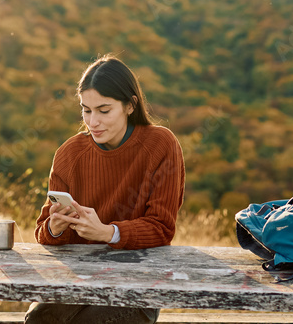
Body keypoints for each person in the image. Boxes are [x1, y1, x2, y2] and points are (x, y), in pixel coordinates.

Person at [26, 54, 186, 324]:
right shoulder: (69, 154)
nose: (93, 122)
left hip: (138, 285)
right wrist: (56, 227)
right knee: (39, 320)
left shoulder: (160, 145)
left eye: (104, 110)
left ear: (130, 105)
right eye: (86, 110)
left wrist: (107, 233)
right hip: (77, 281)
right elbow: (44, 233)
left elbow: (161, 228)